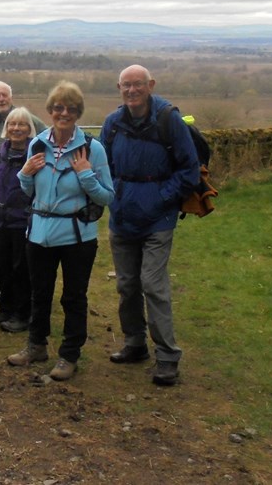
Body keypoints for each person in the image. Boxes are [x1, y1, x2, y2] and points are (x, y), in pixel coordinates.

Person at [100, 65, 200, 386]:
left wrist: (159, 199)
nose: (132, 91)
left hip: (158, 219)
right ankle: (134, 343)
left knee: (152, 285)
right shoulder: (113, 124)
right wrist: (115, 196)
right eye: (126, 85)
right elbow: (104, 167)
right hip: (123, 216)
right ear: (119, 87)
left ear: (150, 85)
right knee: (126, 285)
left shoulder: (169, 120)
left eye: (138, 85)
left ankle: (168, 357)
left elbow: (189, 171)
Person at [7, 81, 114, 381]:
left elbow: (108, 196)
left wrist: (87, 176)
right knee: (39, 294)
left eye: (70, 108)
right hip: (39, 233)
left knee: (73, 297)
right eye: (57, 108)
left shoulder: (92, 149)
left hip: (77, 236)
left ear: (78, 112)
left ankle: (69, 355)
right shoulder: (37, 143)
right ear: (50, 111)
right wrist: (24, 174)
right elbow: (28, 190)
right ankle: (36, 346)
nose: (63, 113)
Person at [0, 107, 36, 333]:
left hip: (22, 221)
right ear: (6, 128)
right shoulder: (0, 152)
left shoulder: (34, 155)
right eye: (12, 124)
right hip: (0, 220)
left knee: (21, 270)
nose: (16, 128)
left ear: (29, 129)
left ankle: (23, 314)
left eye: (22, 124)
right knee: (1, 267)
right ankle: (5, 309)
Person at [0, 81, 47, 148]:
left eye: (5, 95)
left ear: (11, 98)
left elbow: (50, 135)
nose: (1, 99)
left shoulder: (27, 118)